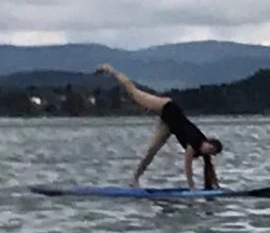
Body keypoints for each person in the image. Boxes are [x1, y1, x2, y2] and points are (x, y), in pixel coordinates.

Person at [95, 63, 223, 190]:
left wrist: (217, 186)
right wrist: (191, 186)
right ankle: (109, 69)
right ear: (208, 141)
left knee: (152, 151)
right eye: (210, 148)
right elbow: (187, 166)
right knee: (133, 91)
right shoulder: (194, 142)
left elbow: (210, 170)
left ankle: (134, 179)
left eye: (211, 152)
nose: (208, 151)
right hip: (167, 107)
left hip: (169, 126)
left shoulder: (203, 152)